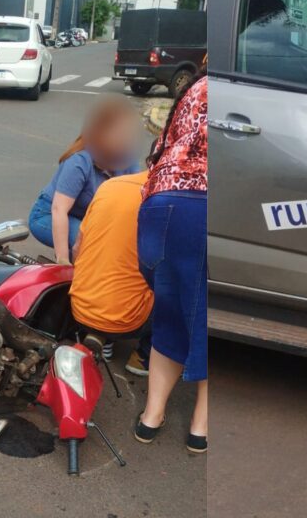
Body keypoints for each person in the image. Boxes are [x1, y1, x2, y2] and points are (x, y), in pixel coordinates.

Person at [133, 71, 208, 453]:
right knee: (209, 320)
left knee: (171, 311)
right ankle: (200, 425)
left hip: (161, 202)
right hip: (207, 206)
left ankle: (152, 415)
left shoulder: (195, 86)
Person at [28, 94, 140, 266]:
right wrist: (63, 260)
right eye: (119, 133)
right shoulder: (80, 161)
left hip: (88, 221)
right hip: (49, 215)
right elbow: (59, 210)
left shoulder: (127, 161)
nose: (124, 139)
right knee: (92, 243)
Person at [69, 171, 154, 375]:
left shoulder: (110, 186)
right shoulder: (171, 199)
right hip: (126, 320)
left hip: (79, 306)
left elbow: (77, 249)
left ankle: (100, 337)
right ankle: (143, 357)